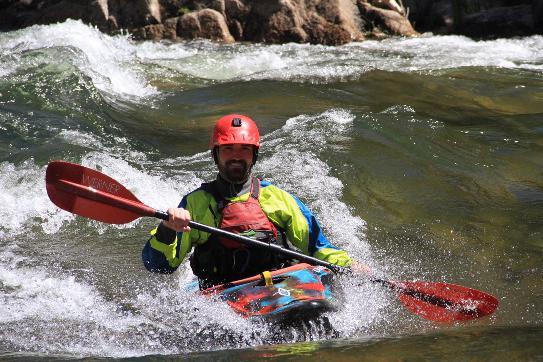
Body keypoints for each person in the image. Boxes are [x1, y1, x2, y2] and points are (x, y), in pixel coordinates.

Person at [142, 114, 356, 289]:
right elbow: (159, 265)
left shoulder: (278, 198)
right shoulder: (196, 204)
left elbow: (318, 248)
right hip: (224, 294)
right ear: (215, 154)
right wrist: (167, 228)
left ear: (254, 155)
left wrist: (352, 265)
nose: (236, 156)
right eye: (228, 149)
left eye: (244, 149)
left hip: (279, 288)